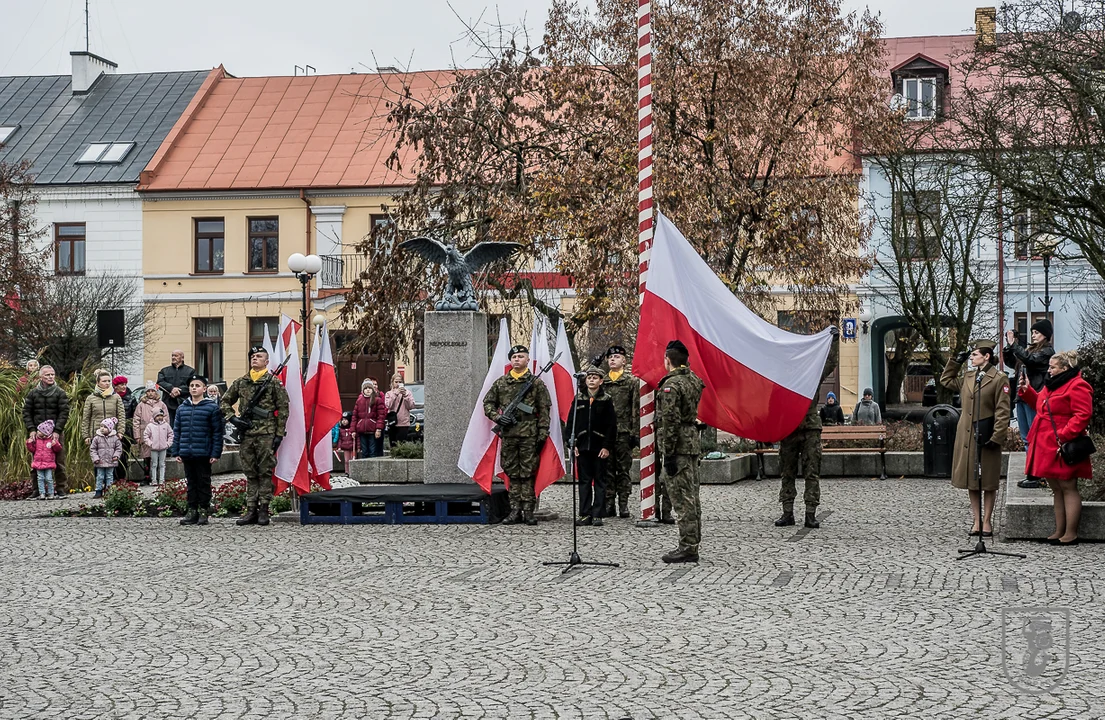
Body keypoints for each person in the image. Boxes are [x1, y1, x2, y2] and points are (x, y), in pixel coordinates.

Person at [1018, 350, 1092, 545]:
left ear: (1065, 368)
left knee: (1068, 486)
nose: (1049, 370)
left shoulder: (1078, 385)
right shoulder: (1051, 385)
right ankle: (1060, 530)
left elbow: (1082, 415)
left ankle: (1071, 532)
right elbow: (1041, 406)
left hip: (1063, 444)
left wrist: (1063, 436)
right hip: (1046, 442)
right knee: (1056, 488)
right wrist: (1028, 391)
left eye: (1053, 367)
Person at [940, 341, 1011, 538]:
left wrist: (997, 436)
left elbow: (1003, 410)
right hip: (967, 434)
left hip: (987, 434)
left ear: (986, 356)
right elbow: (946, 380)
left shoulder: (999, 378)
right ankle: (977, 520)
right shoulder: (969, 377)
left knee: (987, 480)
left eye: (974, 355)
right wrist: (955, 361)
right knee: (972, 480)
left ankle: (987, 520)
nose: (971, 358)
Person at [776, 326, 840, 529]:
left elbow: (831, 363)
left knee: (812, 472)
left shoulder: (812, 374)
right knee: (787, 472)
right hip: (789, 428)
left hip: (810, 427)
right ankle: (787, 513)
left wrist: (834, 342)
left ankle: (810, 513)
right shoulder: (783, 377)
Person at [483, 344, 552, 526]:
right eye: (514, 357)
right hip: (509, 435)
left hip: (530, 435)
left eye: (521, 356)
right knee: (512, 472)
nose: (517, 360)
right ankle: (514, 510)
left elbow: (544, 410)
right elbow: (488, 403)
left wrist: (543, 432)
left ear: (527, 360)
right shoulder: (501, 383)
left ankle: (528, 511)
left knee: (528, 473)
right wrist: (498, 417)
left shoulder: (536, 383)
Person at [221, 347, 290, 527]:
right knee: (250, 472)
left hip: (267, 432)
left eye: (259, 356)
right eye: (252, 356)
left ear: (267, 362)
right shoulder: (241, 382)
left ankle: (264, 510)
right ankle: (251, 509)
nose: (254, 359)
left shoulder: (273, 382)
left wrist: (279, 434)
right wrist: (233, 418)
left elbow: (283, 409)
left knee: (265, 471)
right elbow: (225, 401)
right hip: (247, 433)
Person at [655, 339, 705, 563]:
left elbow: (671, 420)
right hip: (692, 443)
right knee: (692, 497)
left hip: (679, 447)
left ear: (668, 360)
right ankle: (693, 541)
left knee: (682, 499)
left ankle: (688, 547)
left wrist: (669, 452)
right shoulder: (693, 380)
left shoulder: (671, 385)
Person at [1003, 320, 1055, 488]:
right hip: (1022, 396)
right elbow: (1013, 363)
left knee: (1035, 437)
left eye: (1036, 333)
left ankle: (1038, 474)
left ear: (1045, 335)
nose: (1033, 335)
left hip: (1035, 397)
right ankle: (1032, 472)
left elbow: (1030, 360)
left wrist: (1014, 344)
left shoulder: (1047, 352)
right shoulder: (1029, 350)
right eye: (1032, 332)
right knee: (1026, 437)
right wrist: (1008, 347)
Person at [567, 366, 618, 527]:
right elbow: (571, 423)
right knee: (584, 481)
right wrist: (572, 443)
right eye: (589, 377)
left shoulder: (606, 399)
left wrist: (607, 446)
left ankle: (598, 513)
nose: (591, 380)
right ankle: (584, 513)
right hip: (582, 446)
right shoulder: (578, 398)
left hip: (599, 446)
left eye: (595, 378)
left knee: (600, 481)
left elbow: (611, 425)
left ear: (601, 381)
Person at [172, 374, 224, 526]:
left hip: (203, 452)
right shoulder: (182, 408)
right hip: (187, 452)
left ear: (204, 389)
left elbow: (217, 432)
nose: (194, 388)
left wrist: (215, 452)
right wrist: (176, 451)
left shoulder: (212, 407)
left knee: (203, 482)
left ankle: (203, 510)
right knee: (191, 483)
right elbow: (177, 431)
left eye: (197, 386)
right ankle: (192, 510)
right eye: (192, 386)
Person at [603, 344, 639, 518]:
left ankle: (623, 503)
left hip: (624, 432)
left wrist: (635, 433)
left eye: (616, 357)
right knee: (607, 469)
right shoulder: (602, 381)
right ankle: (609, 503)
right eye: (610, 357)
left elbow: (635, 408)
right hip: (605, 434)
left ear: (624, 361)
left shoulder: (631, 382)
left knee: (623, 470)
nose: (612, 359)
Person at [22, 365, 69, 497]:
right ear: (41, 376)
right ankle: (37, 490)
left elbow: (64, 413)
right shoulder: (33, 393)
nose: (50, 377)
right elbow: (26, 412)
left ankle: (60, 489)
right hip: (37, 434)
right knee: (36, 462)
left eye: (52, 374)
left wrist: (57, 431)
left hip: (55, 433)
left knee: (59, 461)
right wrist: (31, 429)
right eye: (47, 375)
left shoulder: (60, 393)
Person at [81, 369, 125, 456]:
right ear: (98, 383)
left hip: (112, 434)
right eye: (104, 381)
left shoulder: (116, 397)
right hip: (96, 434)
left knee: (112, 460)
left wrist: (120, 431)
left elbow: (121, 415)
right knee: (97, 461)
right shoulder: (91, 398)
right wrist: (86, 436)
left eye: (109, 381)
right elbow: (86, 418)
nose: (107, 383)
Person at [133, 383, 169, 484]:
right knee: (146, 456)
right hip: (145, 433)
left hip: (159, 434)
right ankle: (147, 475)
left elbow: (166, 419)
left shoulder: (161, 404)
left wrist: (165, 433)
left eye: (152, 391)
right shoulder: (141, 405)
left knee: (158, 456)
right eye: (148, 391)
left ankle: (158, 476)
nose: (150, 393)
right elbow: (136, 420)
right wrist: (137, 435)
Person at [156, 350, 194, 426]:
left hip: (184, 404)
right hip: (168, 405)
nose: (173, 357)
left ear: (182, 358)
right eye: (172, 355)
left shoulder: (190, 371)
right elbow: (160, 382)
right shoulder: (164, 371)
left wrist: (179, 391)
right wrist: (171, 388)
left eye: (176, 356)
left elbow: (192, 385)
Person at [26, 420, 62, 500]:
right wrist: (29, 443)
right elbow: (32, 449)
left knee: (49, 478)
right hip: (38, 463)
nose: (37, 432)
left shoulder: (50, 440)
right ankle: (42, 493)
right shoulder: (36, 440)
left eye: (39, 431)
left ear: (45, 433)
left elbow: (58, 449)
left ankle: (51, 493)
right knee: (40, 478)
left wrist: (55, 444)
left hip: (48, 463)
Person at [352, 378, 387, 458]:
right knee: (364, 451)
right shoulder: (359, 401)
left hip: (372, 430)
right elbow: (355, 416)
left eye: (370, 388)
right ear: (363, 390)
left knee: (372, 451)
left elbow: (380, 416)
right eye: (366, 388)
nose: (368, 390)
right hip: (362, 430)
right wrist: (353, 430)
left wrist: (378, 429)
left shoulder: (377, 400)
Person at [89, 417, 122, 498]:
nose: (102, 429)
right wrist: (95, 458)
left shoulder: (115, 438)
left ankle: (109, 490)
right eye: (101, 426)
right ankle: (98, 490)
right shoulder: (97, 438)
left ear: (110, 428)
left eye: (105, 427)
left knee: (109, 476)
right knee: (100, 476)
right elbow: (93, 449)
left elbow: (118, 448)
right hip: (100, 461)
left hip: (111, 461)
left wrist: (116, 456)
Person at [113, 376, 137, 483]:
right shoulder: (111, 397)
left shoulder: (131, 399)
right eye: (121, 385)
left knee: (124, 455)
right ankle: (113, 477)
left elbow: (135, 416)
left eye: (125, 384)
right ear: (116, 386)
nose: (124, 387)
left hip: (126, 431)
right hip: (113, 429)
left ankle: (122, 478)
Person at [144, 408, 174, 486]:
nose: (160, 417)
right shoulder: (150, 426)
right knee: (154, 464)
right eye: (158, 416)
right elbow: (146, 436)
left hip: (163, 448)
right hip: (154, 448)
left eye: (161, 415)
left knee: (162, 464)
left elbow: (171, 434)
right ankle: (154, 480)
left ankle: (161, 480)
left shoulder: (166, 425)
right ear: (154, 416)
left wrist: (168, 444)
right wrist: (150, 443)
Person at [385, 374, 416, 448]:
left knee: (402, 445)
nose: (398, 384)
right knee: (393, 445)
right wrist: (395, 394)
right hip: (393, 422)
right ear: (392, 383)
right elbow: (388, 405)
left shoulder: (408, 393)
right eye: (396, 382)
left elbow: (411, 406)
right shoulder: (389, 394)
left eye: (400, 382)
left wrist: (405, 396)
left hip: (403, 423)